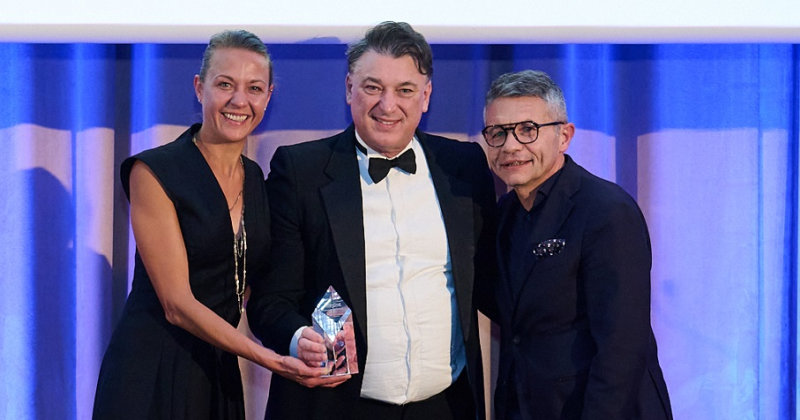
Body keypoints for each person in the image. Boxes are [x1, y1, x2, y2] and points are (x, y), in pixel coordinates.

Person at [247, 21, 497, 420]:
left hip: (446, 407)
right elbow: (271, 301)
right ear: (349, 89)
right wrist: (298, 339)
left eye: (405, 90)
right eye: (373, 87)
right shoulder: (301, 171)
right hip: (337, 407)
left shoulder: (464, 167)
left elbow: (490, 281)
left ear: (426, 96)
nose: (388, 105)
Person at [92, 30, 345, 420]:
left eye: (254, 88)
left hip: (217, 369)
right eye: (225, 84)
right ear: (200, 88)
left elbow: (264, 284)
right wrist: (270, 360)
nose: (239, 101)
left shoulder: (256, 179)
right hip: (151, 369)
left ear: (268, 97)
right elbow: (176, 305)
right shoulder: (154, 170)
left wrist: (315, 332)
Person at [481, 69, 673, 420]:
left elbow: (621, 350)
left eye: (527, 130)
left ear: (564, 136)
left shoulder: (606, 211)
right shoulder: (503, 214)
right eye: (498, 133)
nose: (510, 146)